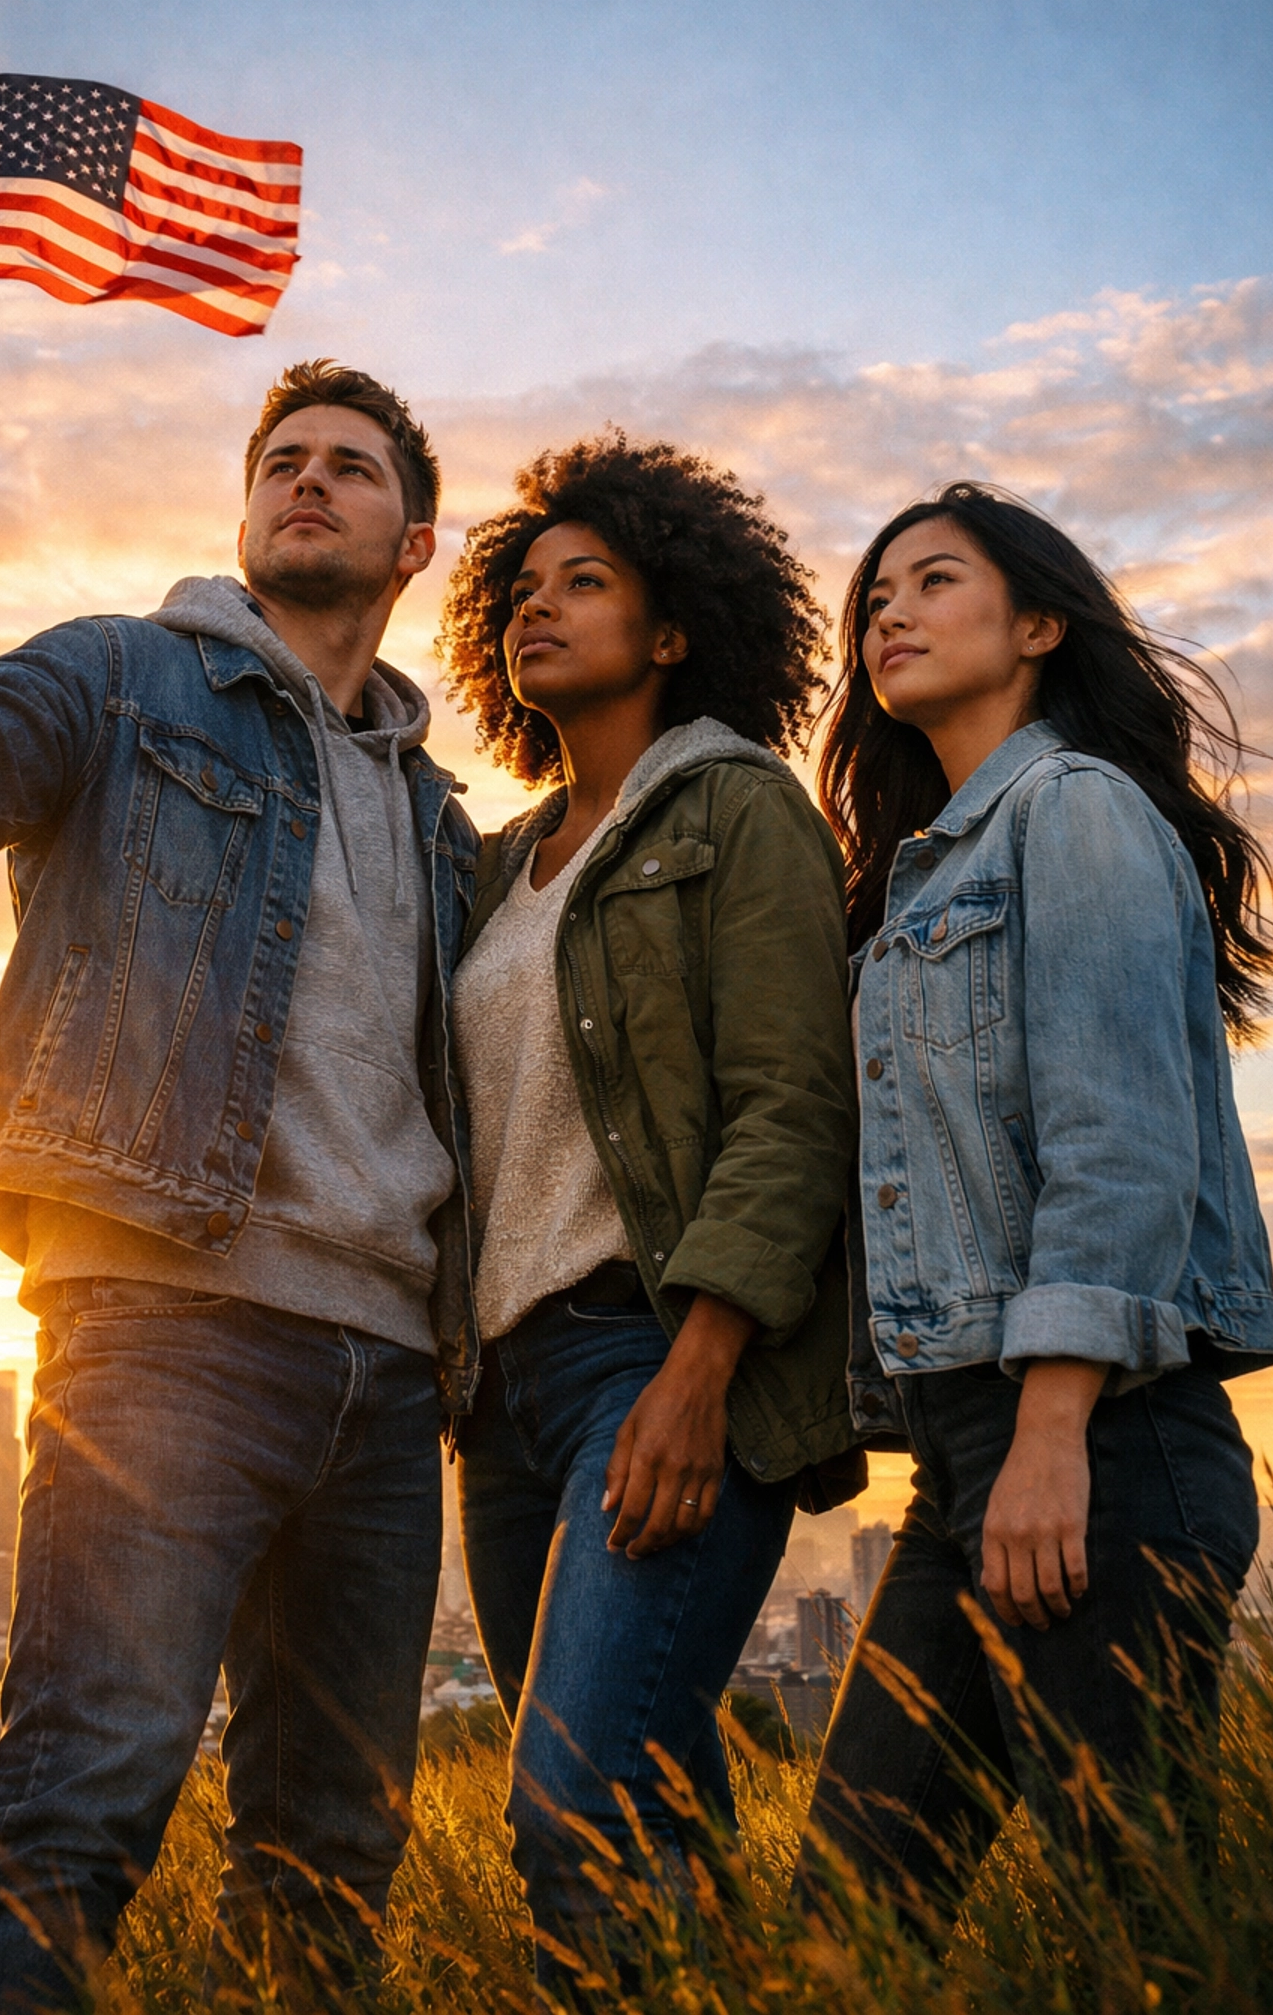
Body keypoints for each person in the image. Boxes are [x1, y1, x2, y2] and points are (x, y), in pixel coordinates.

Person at [0, 321, 481, 2012]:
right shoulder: (124, 676)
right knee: (81, 1801)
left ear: (413, 547)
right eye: (280, 462)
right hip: (169, 1329)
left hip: (394, 1380)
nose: (304, 481)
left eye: (348, 466)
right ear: (247, 514)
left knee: (332, 1846)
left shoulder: (440, 818)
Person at [799, 479, 1273, 1931]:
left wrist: (1055, 1428)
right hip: (971, 1465)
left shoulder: (1072, 809)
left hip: (1103, 1446)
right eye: (874, 594)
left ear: (1039, 624)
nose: (889, 610)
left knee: (1132, 1923)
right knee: (845, 1917)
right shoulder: (918, 880)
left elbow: (1118, 1144)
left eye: (935, 581)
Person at [436, 434, 860, 1977]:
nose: (533, 610)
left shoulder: (736, 811)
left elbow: (794, 1108)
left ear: (671, 630)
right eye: (520, 590)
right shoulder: (496, 870)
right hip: (501, 1402)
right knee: (658, 1805)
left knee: (571, 1804)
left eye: (584, 582)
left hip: (653, 1359)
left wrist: (698, 1371)